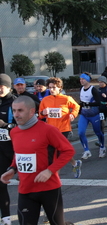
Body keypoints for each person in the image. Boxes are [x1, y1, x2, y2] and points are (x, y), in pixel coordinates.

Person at [1, 96, 75, 225]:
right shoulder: (14, 132)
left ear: (31, 111)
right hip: (26, 190)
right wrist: (13, 169)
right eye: (14, 110)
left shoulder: (48, 130)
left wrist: (50, 171)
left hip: (49, 189)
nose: (16, 114)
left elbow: (68, 151)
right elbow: (18, 154)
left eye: (20, 110)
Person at [39, 77, 82, 178]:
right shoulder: (45, 100)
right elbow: (40, 115)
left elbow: (76, 107)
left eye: (54, 87)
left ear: (60, 88)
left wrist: (73, 114)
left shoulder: (66, 99)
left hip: (63, 129)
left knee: (59, 152)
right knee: (56, 152)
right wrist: (42, 113)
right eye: (50, 88)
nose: (51, 90)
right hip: (50, 130)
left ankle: (53, 175)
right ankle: (75, 163)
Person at [0, 74, 16, 225]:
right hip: (2, 149)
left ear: (9, 87)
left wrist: (5, 125)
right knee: (0, 183)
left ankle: (46, 212)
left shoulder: (15, 102)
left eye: (2, 86)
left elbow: (24, 125)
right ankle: (5, 218)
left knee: (31, 183)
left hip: (17, 150)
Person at [78, 72, 106, 159]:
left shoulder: (93, 90)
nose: (81, 81)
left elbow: (98, 103)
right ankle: (86, 150)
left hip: (94, 115)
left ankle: (102, 147)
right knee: (80, 132)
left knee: (98, 132)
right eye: (80, 79)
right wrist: (79, 109)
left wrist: (88, 103)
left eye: (83, 79)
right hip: (84, 115)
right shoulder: (81, 89)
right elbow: (82, 102)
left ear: (88, 80)